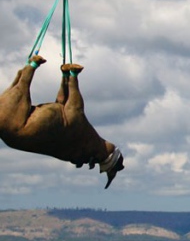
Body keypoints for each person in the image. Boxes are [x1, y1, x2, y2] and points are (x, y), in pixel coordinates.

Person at [0, 55, 124, 188]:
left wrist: (73, 77)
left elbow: (74, 108)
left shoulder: (82, 136)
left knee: (21, 89)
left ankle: (32, 66)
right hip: (15, 136)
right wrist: (65, 75)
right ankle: (31, 67)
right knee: (20, 90)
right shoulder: (76, 148)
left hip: (21, 128)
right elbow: (62, 102)